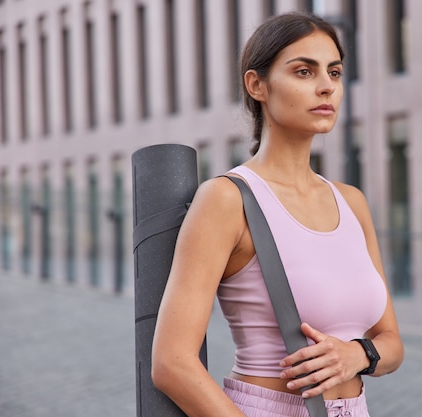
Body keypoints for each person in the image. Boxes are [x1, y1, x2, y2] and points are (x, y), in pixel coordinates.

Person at [151, 12, 404, 417]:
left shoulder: (351, 202)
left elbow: (391, 342)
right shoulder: (227, 199)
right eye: (304, 71)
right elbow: (171, 364)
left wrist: (358, 355)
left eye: (334, 72)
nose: (326, 87)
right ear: (257, 85)